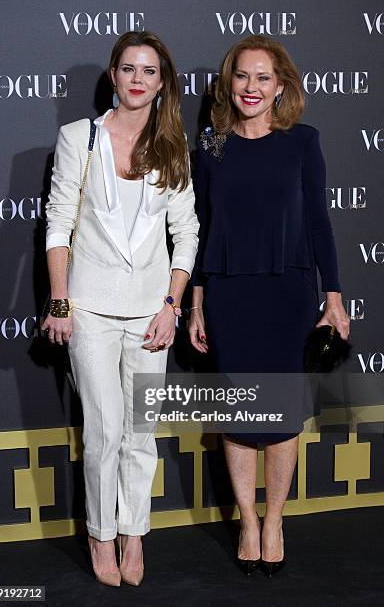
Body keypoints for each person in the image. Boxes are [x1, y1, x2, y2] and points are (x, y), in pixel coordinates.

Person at [189, 35, 349, 577]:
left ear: (281, 86)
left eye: (263, 78)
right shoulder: (210, 147)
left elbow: (320, 223)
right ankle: (247, 520)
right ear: (227, 83)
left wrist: (334, 296)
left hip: (288, 290)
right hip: (230, 291)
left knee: (280, 414)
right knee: (239, 413)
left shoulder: (303, 142)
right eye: (242, 76)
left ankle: (275, 519)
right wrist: (197, 301)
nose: (251, 88)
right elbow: (202, 228)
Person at [43, 31, 199, 587]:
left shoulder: (174, 145)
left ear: (163, 82)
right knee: (104, 430)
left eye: (149, 71)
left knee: (141, 430)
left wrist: (171, 305)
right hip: (89, 309)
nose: (138, 79)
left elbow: (187, 233)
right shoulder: (78, 139)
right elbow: (59, 224)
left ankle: (135, 532)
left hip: (151, 313)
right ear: (113, 76)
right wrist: (60, 300)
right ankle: (100, 533)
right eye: (129, 68)